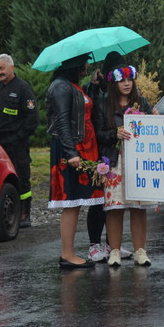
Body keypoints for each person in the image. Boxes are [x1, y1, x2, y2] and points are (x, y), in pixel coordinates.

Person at [46, 54, 105, 268]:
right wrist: (71, 153)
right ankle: (67, 255)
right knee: (70, 202)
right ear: (74, 64)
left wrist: (94, 86)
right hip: (71, 150)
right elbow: (62, 120)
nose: (87, 66)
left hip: (82, 148)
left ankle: (69, 253)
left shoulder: (71, 85)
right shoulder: (60, 86)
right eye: (84, 63)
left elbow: (83, 110)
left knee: (77, 201)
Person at [95, 64, 156, 267]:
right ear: (114, 83)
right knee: (115, 207)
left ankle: (140, 251)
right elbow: (98, 134)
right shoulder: (103, 105)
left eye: (130, 80)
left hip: (138, 161)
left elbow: (152, 130)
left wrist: (153, 119)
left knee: (139, 207)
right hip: (114, 161)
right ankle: (114, 251)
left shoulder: (142, 102)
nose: (127, 84)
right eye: (122, 81)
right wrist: (115, 134)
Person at [82, 51, 125, 262]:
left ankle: (112, 245)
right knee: (99, 200)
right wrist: (93, 85)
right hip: (100, 153)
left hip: (116, 153)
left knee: (115, 202)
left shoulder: (123, 96)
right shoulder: (96, 91)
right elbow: (89, 109)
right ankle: (94, 245)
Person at [0, 53, 40, 227]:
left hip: (17, 145)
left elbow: (32, 119)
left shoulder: (23, 89)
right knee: (2, 180)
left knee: (21, 178)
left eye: (2, 68)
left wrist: (18, 137)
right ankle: (7, 214)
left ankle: (25, 214)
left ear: (12, 67)